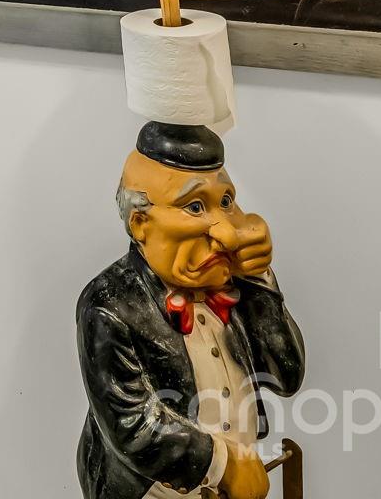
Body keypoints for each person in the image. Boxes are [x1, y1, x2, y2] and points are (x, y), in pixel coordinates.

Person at [76, 122, 305, 499]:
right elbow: (133, 425)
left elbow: (287, 374)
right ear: (141, 223)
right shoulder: (110, 304)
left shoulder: (235, 284)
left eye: (226, 202)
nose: (226, 232)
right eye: (195, 206)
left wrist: (258, 277)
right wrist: (224, 465)